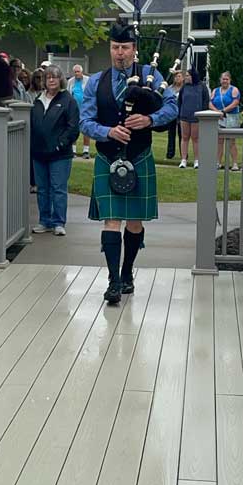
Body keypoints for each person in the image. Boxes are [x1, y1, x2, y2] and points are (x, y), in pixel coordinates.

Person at [79, 20, 178, 304]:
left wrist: (149, 120)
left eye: (124, 47)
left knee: (134, 222)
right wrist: (108, 131)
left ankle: (126, 272)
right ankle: (112, 282)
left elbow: (172, 107)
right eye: (114, 47)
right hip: (108, 157)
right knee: (111, 220)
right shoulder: (96, 81)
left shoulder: (151, 75)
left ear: (134, 49)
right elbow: (85, 121)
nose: (119, 53)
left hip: (139, 156)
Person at [31, 65, 79, 236]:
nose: (51, 80)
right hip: (38, 153)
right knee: (42, 189)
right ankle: (44, 221)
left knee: (58, 188)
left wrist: (60, 144)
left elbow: (73, 127)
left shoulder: (68, 100)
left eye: (55, 77)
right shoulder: (38, 100)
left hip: (60, 154)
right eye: (48, 77)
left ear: (61, 80)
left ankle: (58, 222)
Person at [178, 66, 210, 169]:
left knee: (195, 138)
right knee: (184, 137)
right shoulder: (184, 87)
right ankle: (183, 159)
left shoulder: (202, 86)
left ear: (193, 76)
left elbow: (205, 101)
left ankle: (197, 160)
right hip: (184, 115)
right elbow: (180, 101)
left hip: (197, 116)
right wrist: (179, 114)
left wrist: (203, 114)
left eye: (187, 76)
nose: (185, 77)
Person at [210, 70, 241, 170]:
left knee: (232, 141)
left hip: (231, 117)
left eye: (226, 79)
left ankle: (235, 163)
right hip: (219, 117)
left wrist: (224, 111)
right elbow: (210, 103)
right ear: (220, 80)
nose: (225, 81)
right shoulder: (215, 91)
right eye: (223, 79)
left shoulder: (234, 90)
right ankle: (218, 162)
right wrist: (217, 112)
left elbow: (235, 102)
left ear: (230, 80)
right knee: (219, 141)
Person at [67, 64, 91, 158]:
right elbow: (68, 94)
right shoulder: (70, 81)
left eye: (78, 72)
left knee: (86, 130)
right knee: (74, 129)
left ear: (82, 72)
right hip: (74, 110)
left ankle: (86, 151)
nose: (77, 74)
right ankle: (73, 151)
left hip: (85, 109)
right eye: (75, 72)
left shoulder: (88, 80)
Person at [165, 69, 184, 160]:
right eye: (176, 77)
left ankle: (183, 154)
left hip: (182, 113)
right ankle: (170, 153)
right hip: (171, 113)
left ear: (183, 78)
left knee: (182, 134)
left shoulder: (185, 89)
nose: (177, 78)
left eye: (179, 76)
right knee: (171, 134)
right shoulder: (169, 88)